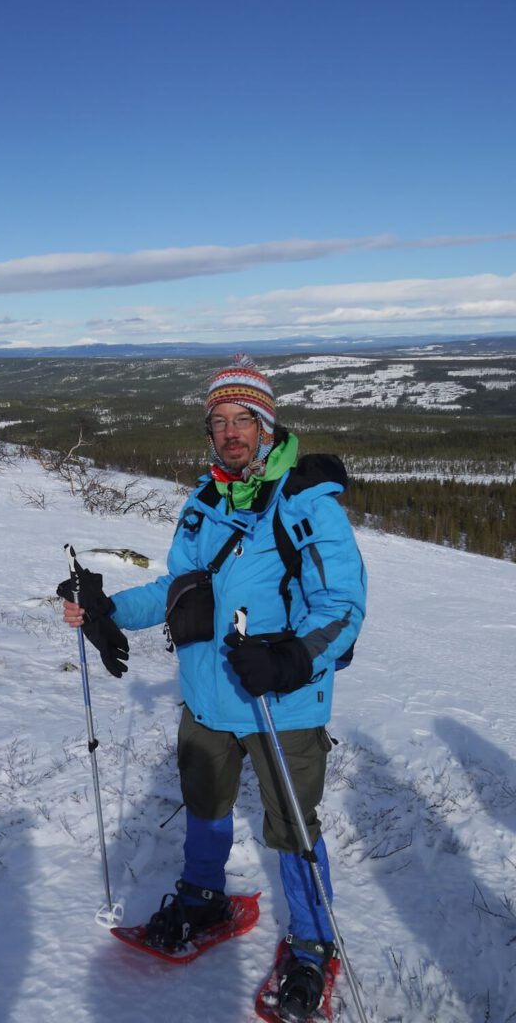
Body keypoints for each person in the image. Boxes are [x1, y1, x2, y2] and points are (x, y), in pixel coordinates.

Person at [60, 353, 366, 1023]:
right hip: (209, 695)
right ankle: (204, 898)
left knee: (291, 827)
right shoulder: (203, 502)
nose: (230, 431)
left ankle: (312, 944)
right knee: (205, 805)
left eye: (242, 419)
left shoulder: (305, 502)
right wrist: (107, 607)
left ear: (266, 424)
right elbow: (181, 594)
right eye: (218, 421)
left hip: (281, 700)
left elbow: (343, 606)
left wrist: (289, 660)